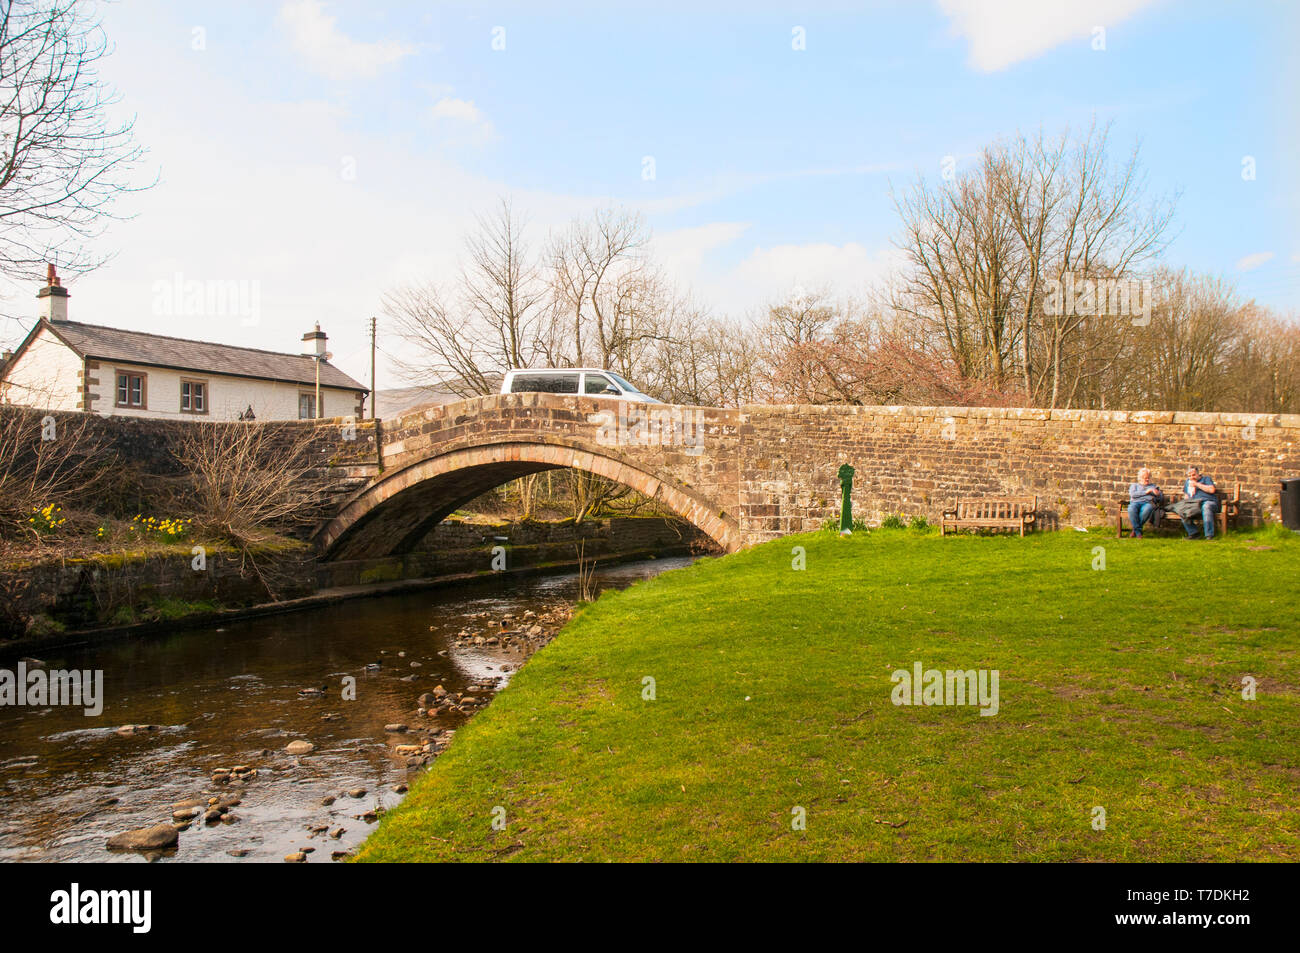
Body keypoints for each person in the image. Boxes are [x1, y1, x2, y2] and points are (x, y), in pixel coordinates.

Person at [1179, 466, 1219, 539]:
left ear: (1198, 474)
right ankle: (1194, 533)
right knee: (1182, 510)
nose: (1192, 477)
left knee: (1206, 507)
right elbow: (1186, 495)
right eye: (1189, 476)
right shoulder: (1188, 482)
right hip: (1195, 504)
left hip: (1208, 502)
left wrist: (1197, 484)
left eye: (1193, 475)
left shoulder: (1206, 479)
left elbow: (1212, 490)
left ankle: (1209, 535)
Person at [1127, 467, 1163, 538]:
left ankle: (1135, 530)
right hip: (1135, 502)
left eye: (1148, 477)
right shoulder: (1134, 485)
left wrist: (1158, 494)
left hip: (1147, 503)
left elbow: (1160, 498)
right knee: (1131, 509)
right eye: (1144, 477)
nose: (1147, 479)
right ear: (1140, 478)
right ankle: (1138, 532)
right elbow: (1133, 495)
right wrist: (1146, 492)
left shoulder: (1153, 486)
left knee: (1148, 509)